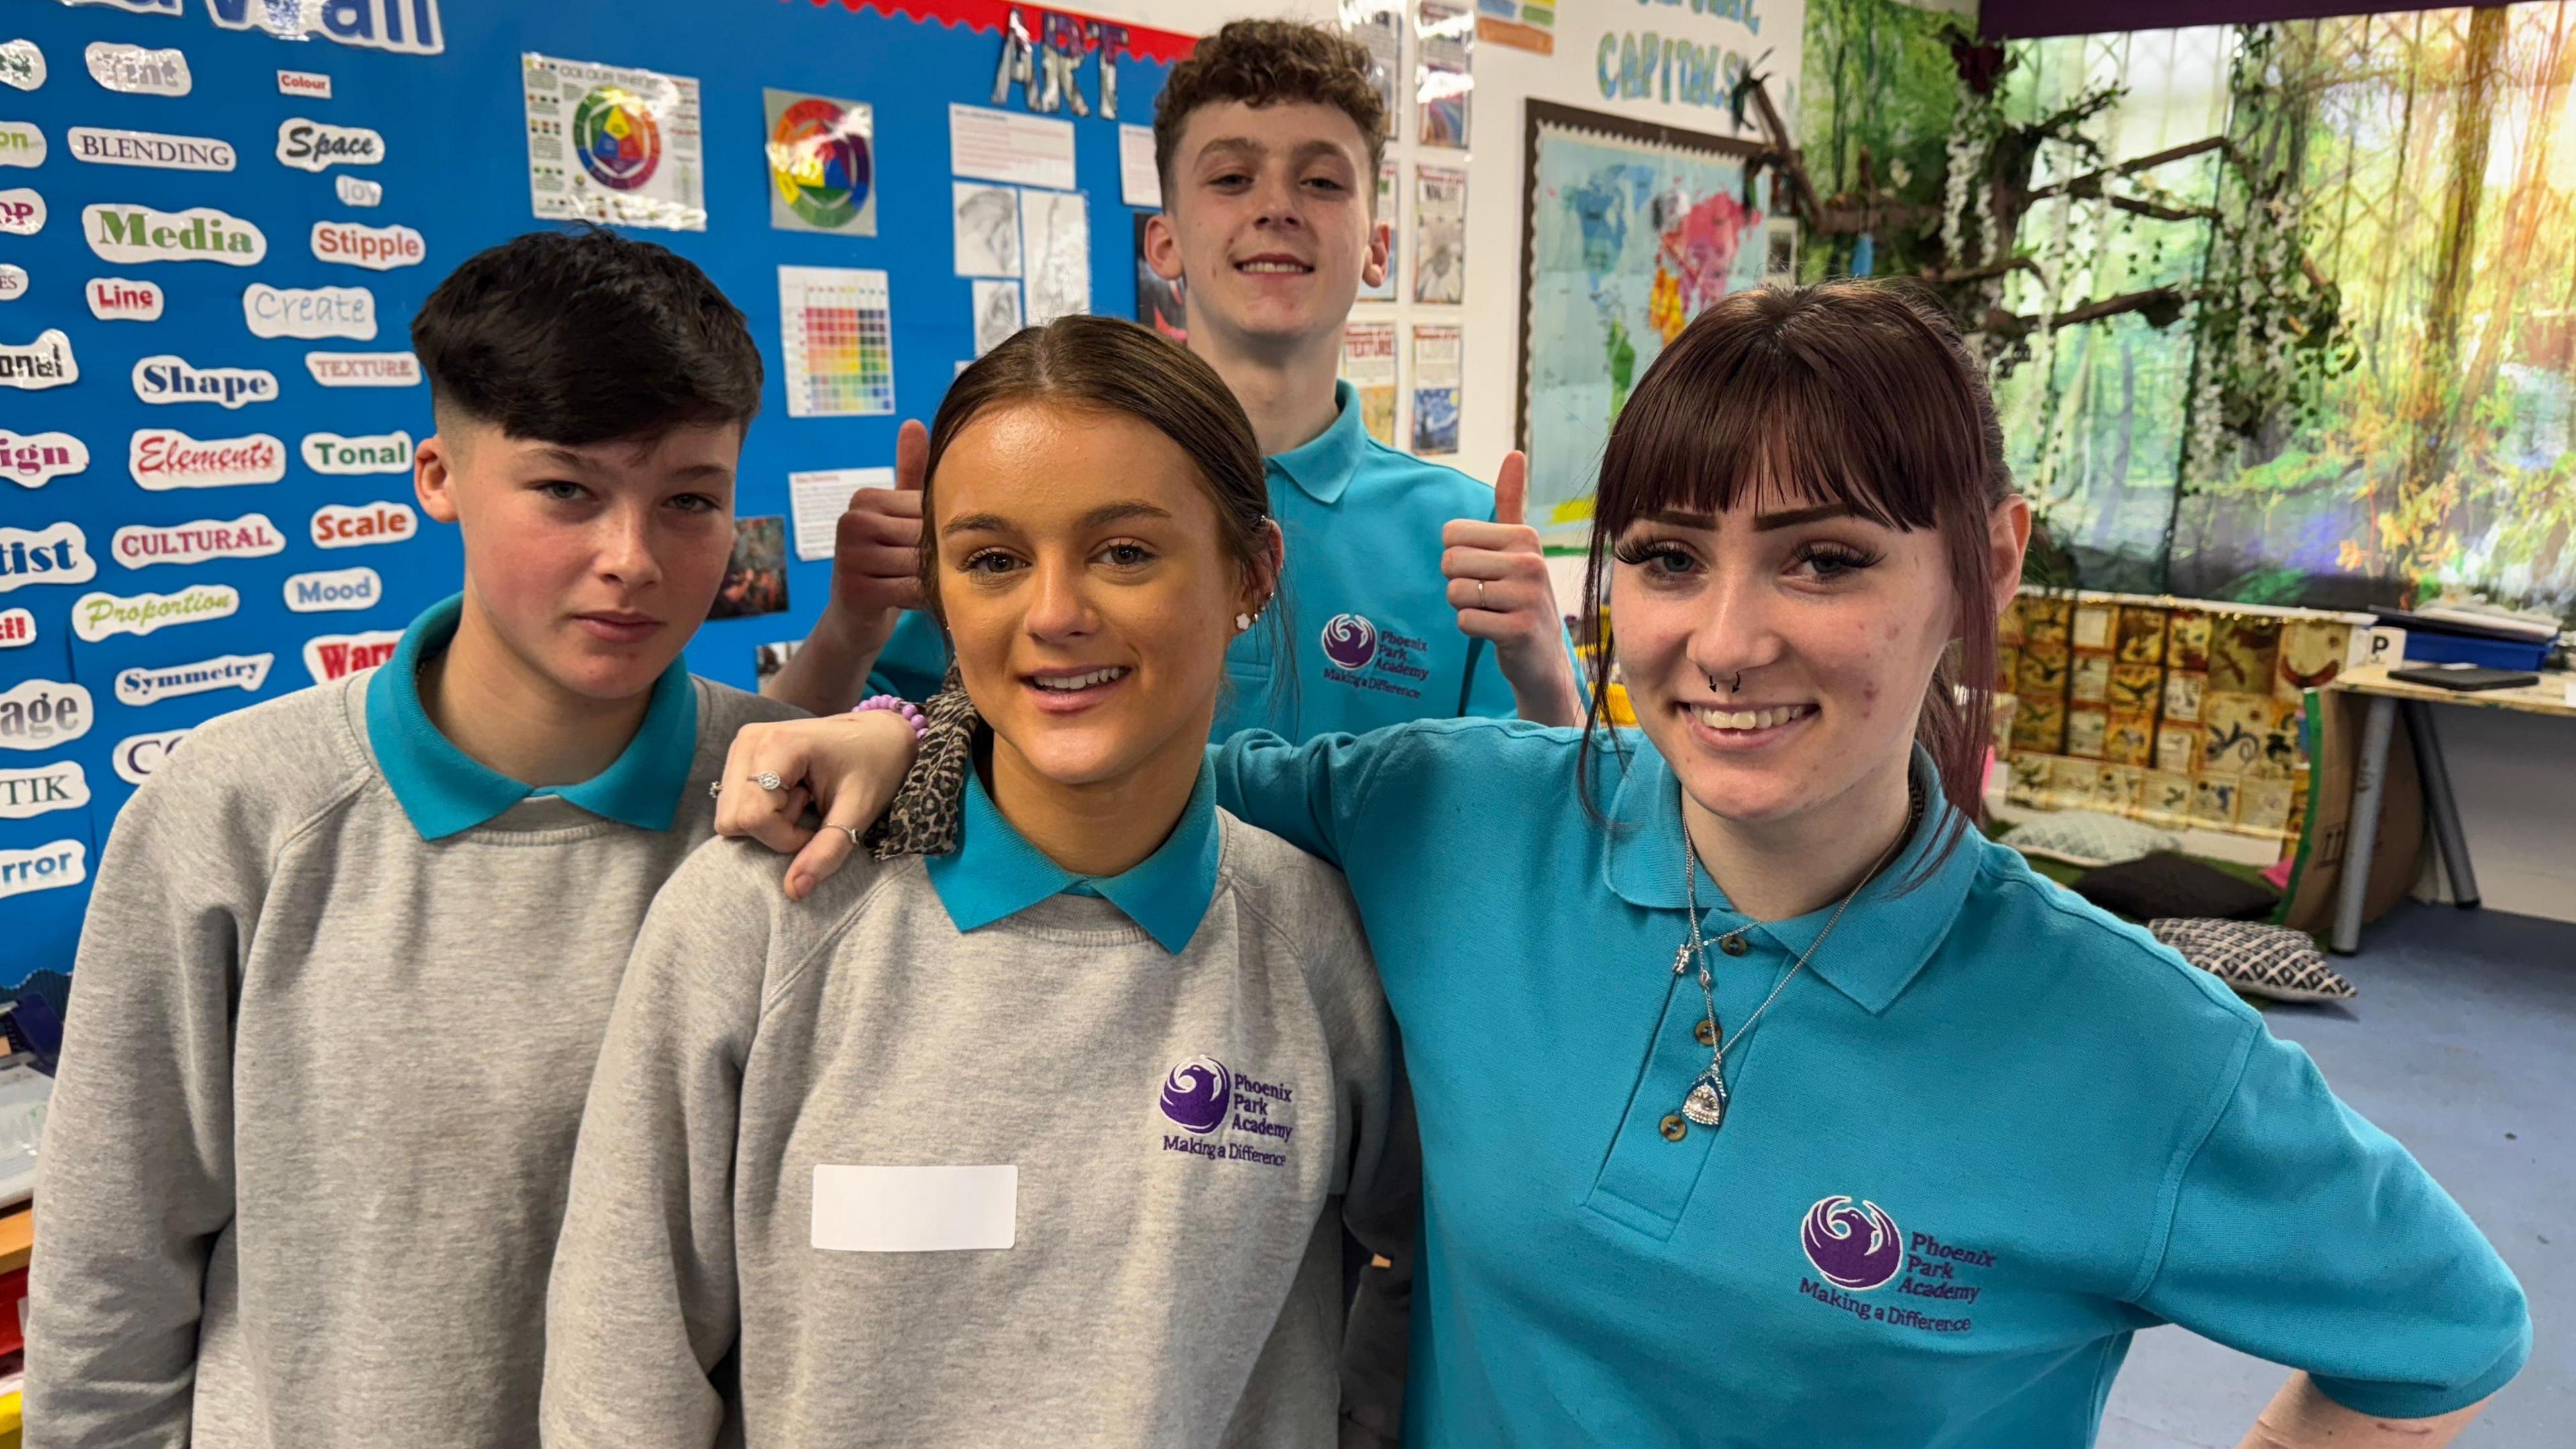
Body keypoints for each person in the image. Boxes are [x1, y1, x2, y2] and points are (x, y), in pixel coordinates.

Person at [712, 282, 2531, 1448]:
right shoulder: (1459, 815)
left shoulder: (2138, 1051)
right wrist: (912, 738)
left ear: (1982, 560)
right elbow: (1125, 764)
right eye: (1668, 557)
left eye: (1824, 561)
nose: (1726, 642)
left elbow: (2443, 1339)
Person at [541, 315, 1405, 1446]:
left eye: (1125, 551)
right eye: (994, 560)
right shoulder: (760, 923)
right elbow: (620, 1388)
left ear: (1251, 573)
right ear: (943, 593)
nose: (1053, 615)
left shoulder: (1318, 946)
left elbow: (1437, 1280)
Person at [26, 227, 816, 1448]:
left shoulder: (785, 807)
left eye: (691, 502)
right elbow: (113, 1278)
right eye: (566, 489)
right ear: (439, 475)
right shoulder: (235, 813)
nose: (632, 559)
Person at [762, 17, 1581, 736]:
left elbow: (1548, 813)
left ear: (1378, 249)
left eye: (1322, 181)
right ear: (1164, 245)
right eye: (1231, 178)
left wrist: (1549, 681)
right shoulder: (1039, 489)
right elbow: (820, 754)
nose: (1276, 206)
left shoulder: (1463, 538)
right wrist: (849, 627)